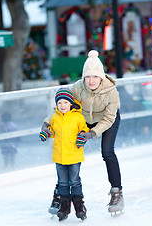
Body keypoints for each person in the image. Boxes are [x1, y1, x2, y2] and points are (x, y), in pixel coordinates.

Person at [43, 50, 124, 215]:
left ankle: (117, 193)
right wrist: (46, 123)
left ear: (101, 76)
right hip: (83, 118)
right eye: (87, 77)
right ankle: (59, 195)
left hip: (107, 120)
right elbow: (61, 107)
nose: (91, 81)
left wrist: (92, 133)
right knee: (67, 149)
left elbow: (109, 119)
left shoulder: (111, 92)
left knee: (107, 152)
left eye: (95, 76)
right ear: (83, 77)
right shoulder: (77, 88)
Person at [39, 88, 89, 221]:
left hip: (74, 156)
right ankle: (64, 207)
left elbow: (84, 130)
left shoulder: (78, 117)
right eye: (59, 103)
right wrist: (46, 133)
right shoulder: (54, 118)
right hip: (59, 156)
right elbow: (52, 132)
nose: (62, 106)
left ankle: (79, 206)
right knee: (62, 183)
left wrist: (81, 137)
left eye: (65, 103)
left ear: (71, 103)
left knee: (74, 181)